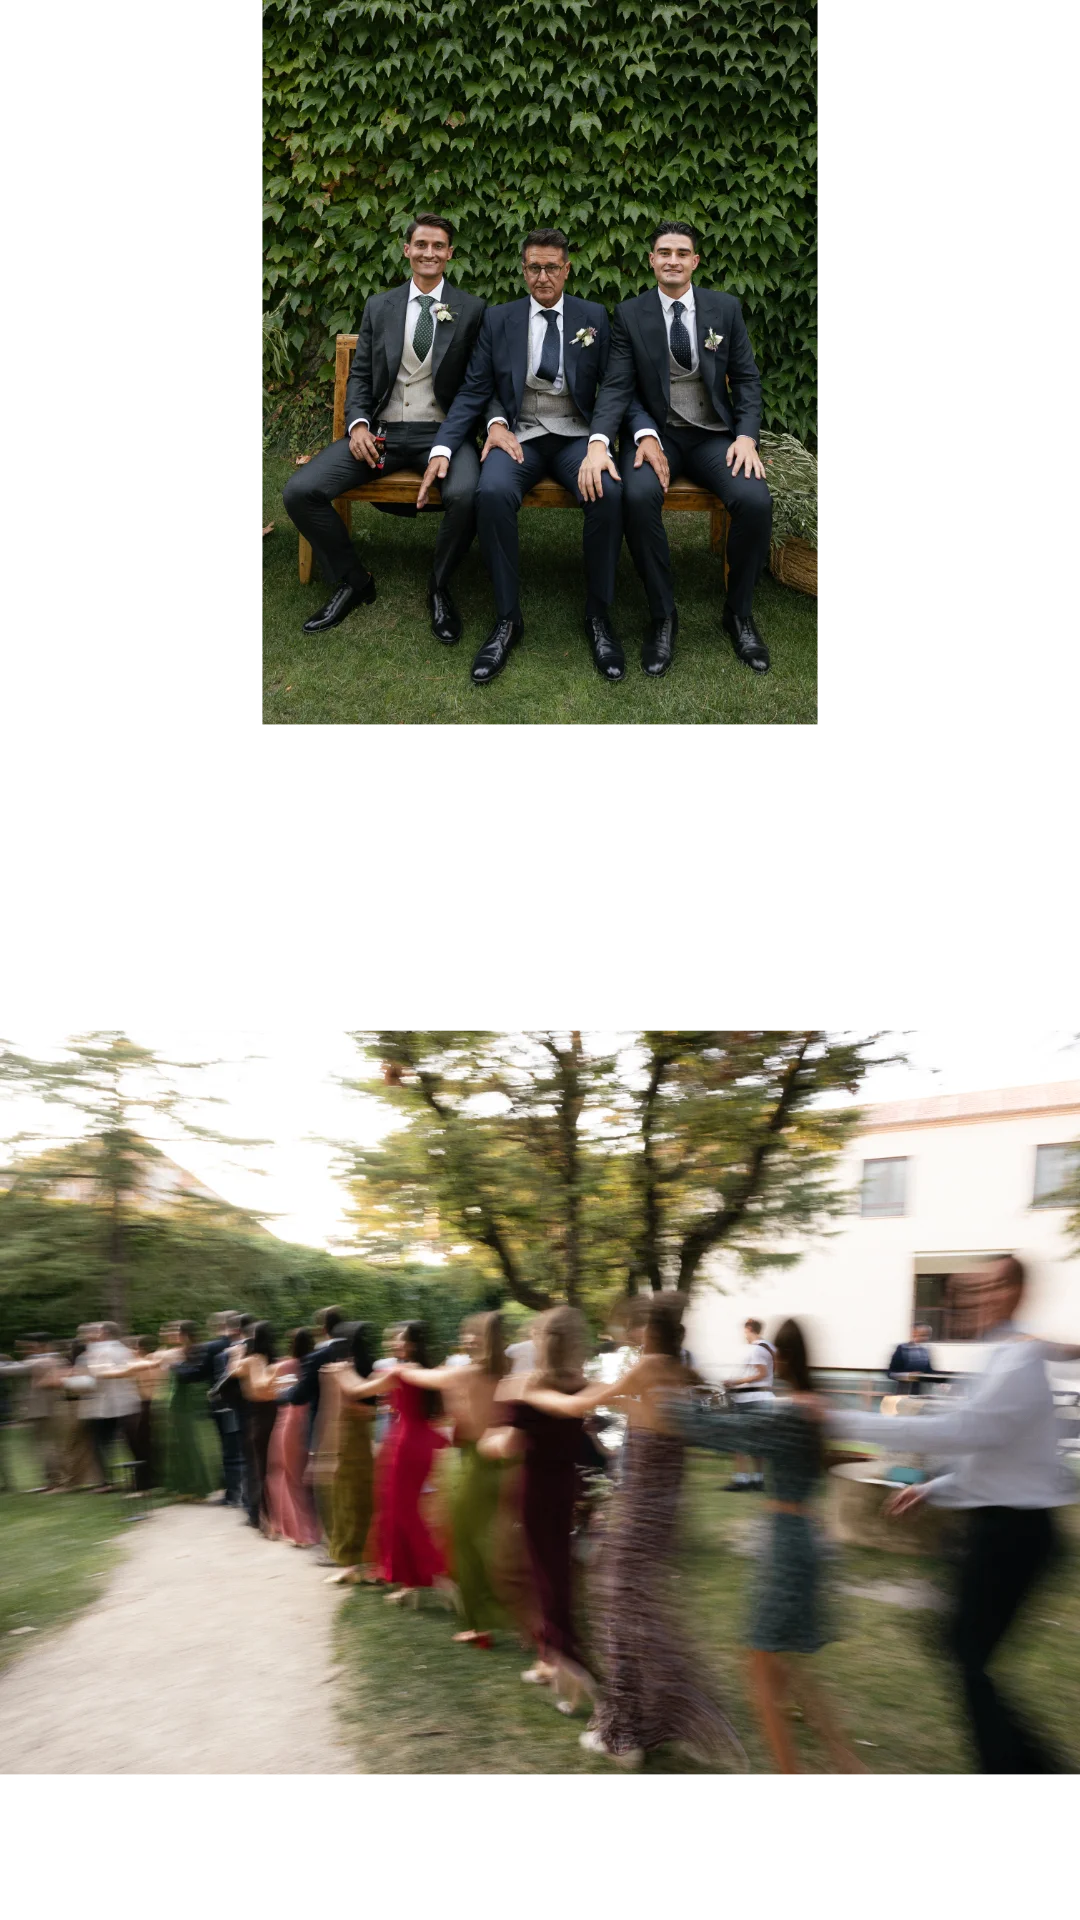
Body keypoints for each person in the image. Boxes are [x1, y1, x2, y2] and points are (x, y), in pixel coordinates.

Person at [828, 1258, 1078, 1776]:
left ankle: (1024, 1766)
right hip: (999, 1526)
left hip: (1016, 1533)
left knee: (966, 1653)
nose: (978, 1299)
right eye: (972, 1290)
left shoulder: (1019, 1362)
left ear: (1017, 1292)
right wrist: (934, 1486)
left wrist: (834, 1417)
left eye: (991, 1288)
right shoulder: (1006, 1356)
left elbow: (963, 1432)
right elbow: (994, 1453)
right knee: (960, 1648)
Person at [517, 1295, 748, 1770]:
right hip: (660, 1514)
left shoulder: (650, 1366)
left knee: (619, 1615)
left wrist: (533, 1392)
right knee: (637, 1616)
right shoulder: (678, 1372)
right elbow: (624, 1402)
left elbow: (584, 1402)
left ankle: (624, 1737)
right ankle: (655, 1721)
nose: (623, 1333)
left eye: (629, 1326)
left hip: (640, 1513)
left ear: (646, 1328)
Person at [417, 227, 630, 685]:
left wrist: (599, 443)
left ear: (567, 269)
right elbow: (478, 387)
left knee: (608, 492)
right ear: (523, 269)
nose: (543, 276)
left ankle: (598, 616)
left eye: (552, 267)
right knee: (490, 491)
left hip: (577, 436)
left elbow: (613, 386)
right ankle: (507, 618)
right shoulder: (501, 319)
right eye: (534, 267)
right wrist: (450, 442)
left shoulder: (593, 316)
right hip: (521, 437)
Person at [667, 1318, 870, 1776]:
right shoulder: (815, 1408)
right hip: (806, 1540)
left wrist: (671, 1397)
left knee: (759, 1669)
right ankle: (847, 1762)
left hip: (787, 1546)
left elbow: (718, 1433)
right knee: (787, 1668)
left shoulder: (789, 1413)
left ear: (784, 1360)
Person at [283, 213, 486, 645]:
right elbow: (360, 376)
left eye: (439, 246)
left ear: (450, 254)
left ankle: (439, 585)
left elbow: (477, 383)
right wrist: (356, 424)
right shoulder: (380, 305)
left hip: (443, 432)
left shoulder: (472, 310)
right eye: (422, 244)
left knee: (469, 495)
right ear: (407, 250)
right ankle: (354, 579)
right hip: (383, 433)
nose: (429, 253)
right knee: (300, 491)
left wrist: (452, 441)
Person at [581, 219, 773, 677]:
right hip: (657, 436)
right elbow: (619, 389)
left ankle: (738, 613)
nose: (672, 260)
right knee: (636, 495)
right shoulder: (630, 314)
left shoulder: (724, 309)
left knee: (755, 500)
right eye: (663, 252)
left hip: (712, 436)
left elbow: (746, 379)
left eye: (681, 253)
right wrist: (634, 436)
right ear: (652, 261)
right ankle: (662, 614)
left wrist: (746, 436)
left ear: (694, 261)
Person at [478, 1306, 599, 1715]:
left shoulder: (529, 1384)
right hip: (566, 1485)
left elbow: (505, 1446)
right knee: (555, 1573)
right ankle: (552, 1660)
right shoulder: (579, 1383)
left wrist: (488, 1441)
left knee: (540, 1577)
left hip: (536, 1488)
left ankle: (571, 1663)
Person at [392, 1310, 511, 1644]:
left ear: (482, 1340)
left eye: (471, 1334)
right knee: (493, 1540)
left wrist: (403, 1368)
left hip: (473, 1463)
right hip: (504, 1463)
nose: (466, 1339)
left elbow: (425, 1381)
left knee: (464, 1542)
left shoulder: (464, 1374)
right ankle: (511, 1617)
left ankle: (480, 1625)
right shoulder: (510, 1372)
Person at [345, 1320, 451, 1607]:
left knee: (403, 1513)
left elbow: (357, 1390)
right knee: (398, 1511)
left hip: (406, 1444)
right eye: (392, 1338)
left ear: (414, 1344)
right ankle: (411, 1581)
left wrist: (341, 1371)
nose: (394, 1343)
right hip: (411, 1441)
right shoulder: (419, 1370)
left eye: (400, 1339)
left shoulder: (401, 1370)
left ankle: (437, 1572)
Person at [316, 1323, 380, 1579]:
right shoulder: (361, 1369)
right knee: (353, 1499)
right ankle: (356, 1561)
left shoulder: (341, 1370)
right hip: (354, 1440)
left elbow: (343, 1409)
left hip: (348, 1441)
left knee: (350, 1500)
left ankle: (354, 1562)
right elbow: (369, 1410)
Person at [264, 1327, 322, 1548]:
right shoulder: (317, 1363)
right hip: (314, 1420)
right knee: (309, 1478)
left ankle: (301, 1533)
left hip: (290, 1422)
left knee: (292, 1478)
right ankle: (317, 1529)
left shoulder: (284, 1366)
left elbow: (279, 1396)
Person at [226, 1321, 281, 1531]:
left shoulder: (250, 1360)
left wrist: (236, 1353)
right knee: (273, 1464)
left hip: (257, 1415)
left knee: (258, 1466)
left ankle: (262, 1517)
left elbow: (233, 1373)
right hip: (276, 1412)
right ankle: (273, 1514)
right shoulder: (276, 1359)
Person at [158, 1322, 214, 1501]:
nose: (172, 1334)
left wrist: (173, 1366)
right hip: (177, 1401)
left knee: (189, 1445)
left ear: (185, 1334)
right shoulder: (176, 1351)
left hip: (187, 1402)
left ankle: (198, 1488)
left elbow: (194, 1373)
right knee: (180, 1446)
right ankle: (185, 1488)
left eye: (176, 1332)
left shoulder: (193, 1350)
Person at [84, 1322, 141, 1491]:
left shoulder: (98, 1350)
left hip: (106, 1405)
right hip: (128, 1402)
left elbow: (96, 1375)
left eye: (96, 1330)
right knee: (129, 1444)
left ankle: (108, 1482)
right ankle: (137, 1479)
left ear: (104, 1332)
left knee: (101, 1444)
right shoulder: (124, 1349)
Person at [725, 1317, 777, 1491]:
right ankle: (758, 1480)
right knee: (757, 1442)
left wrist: (735, 1382)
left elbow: (760, 1373)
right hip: (764, 1397)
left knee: (738, 1441)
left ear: (748, 1328)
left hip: (749, 1399)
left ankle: (742, 1480)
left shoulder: (755, 1349)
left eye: (744, 1329)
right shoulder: (770, 1347)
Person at [888, 1323, 934, 1398]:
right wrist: (909, 1375)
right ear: (914, 1333)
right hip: (904, 1393)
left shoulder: (926, 1351)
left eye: (928, 1335)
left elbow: (930, 1371)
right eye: (923, 1335)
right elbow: (890, 1373)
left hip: (921, 1394)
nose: (926, 1338)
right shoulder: (902, 1349)